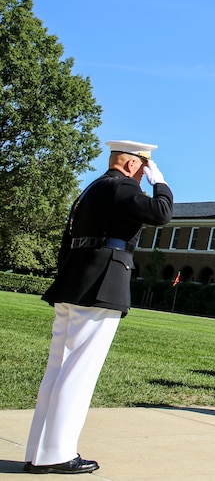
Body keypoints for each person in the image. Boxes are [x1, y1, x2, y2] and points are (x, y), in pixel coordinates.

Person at [25, 139, 173, 475]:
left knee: (58, 369)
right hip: (101, 284)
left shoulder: (92, 189)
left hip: (77, 281)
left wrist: (67, 277)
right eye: (144, 168)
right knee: (78, 372)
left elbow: (67, 240)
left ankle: (40, 451)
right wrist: (160, 183)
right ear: (135, 165)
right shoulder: (121, 187)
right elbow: (161, 213)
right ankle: (57, 453)